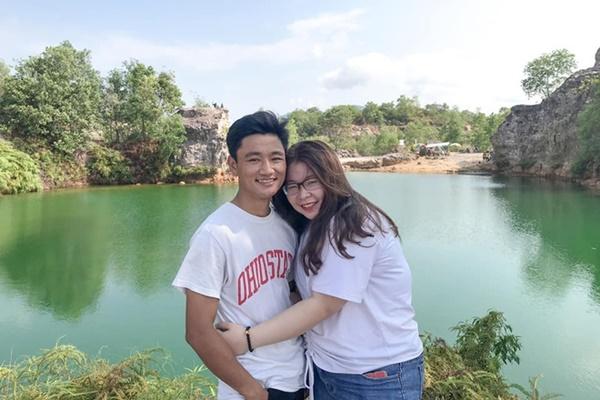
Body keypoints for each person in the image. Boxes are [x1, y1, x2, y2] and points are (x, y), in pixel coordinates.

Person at [218, 140, 424, 400]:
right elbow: (303, 294)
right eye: (292, 186)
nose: (303, 195)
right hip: (328, 370)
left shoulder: (356, 225)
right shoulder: (313, 226)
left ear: (331, 177)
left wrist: (248, 339)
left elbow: (324, 305)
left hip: (376, 376)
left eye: (311, 182)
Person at [172, 111, 306, 400]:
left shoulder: (287, 224)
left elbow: (290, 294)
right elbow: (198, 332)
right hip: (256, 385)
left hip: (297, 378)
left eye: (276, 158)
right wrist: (252, 390)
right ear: (233, 164)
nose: (267, 169)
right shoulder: (215, 235)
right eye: (254, 159)